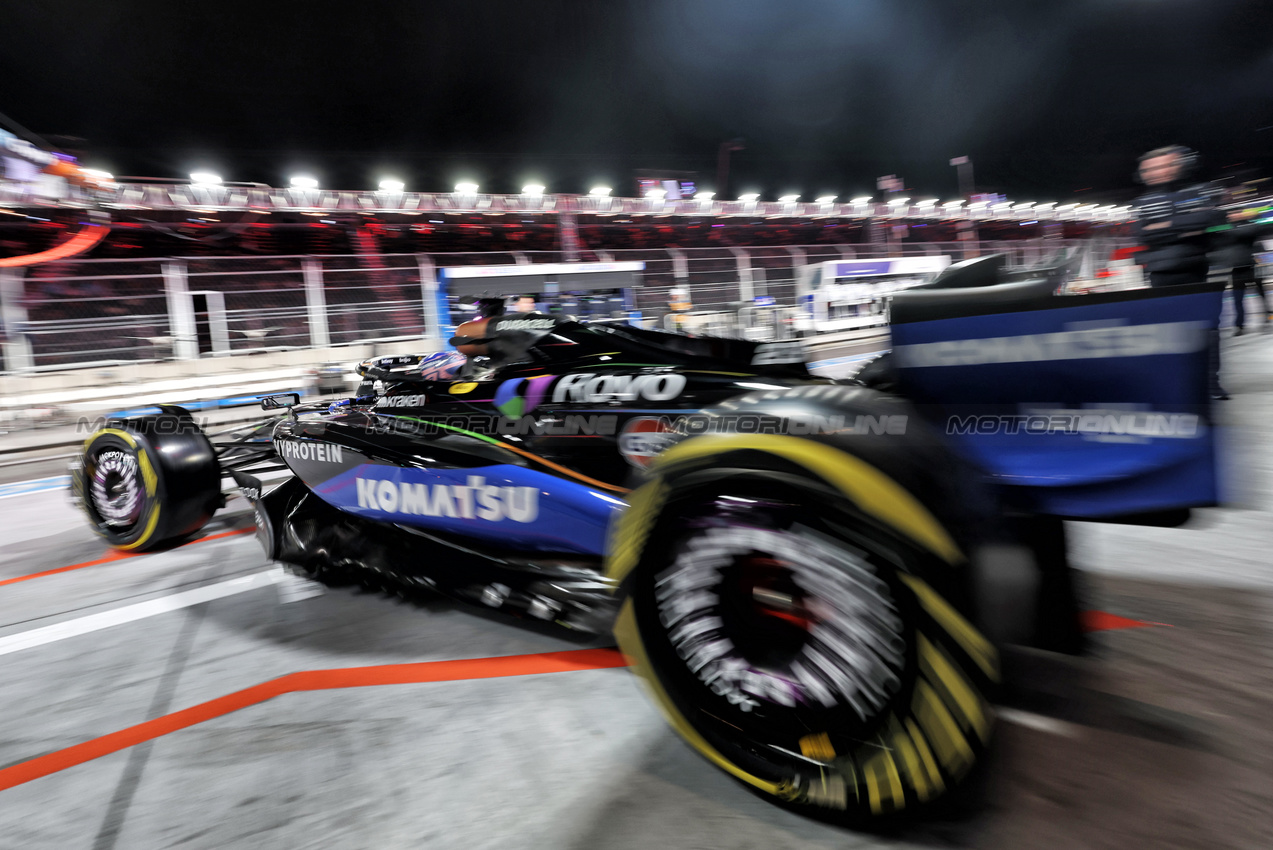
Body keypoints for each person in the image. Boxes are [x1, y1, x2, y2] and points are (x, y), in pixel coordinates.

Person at [1132, 145, 1229, 398]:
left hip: (1199, 272)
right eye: (1151, 169)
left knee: (1207, 329)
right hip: (1161, 276)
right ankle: (1176, 382)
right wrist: (1184, 228)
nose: (1159, 172)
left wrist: (1164, 226)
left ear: (1181, 165)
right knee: (1168, 331)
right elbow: (1141, 233)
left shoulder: (1199, 191)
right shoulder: (1142, 202)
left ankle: (1210, 382)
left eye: (1166, 165)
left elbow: (1212, 220)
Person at [1216, 207, 1271, 335]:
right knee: (1237, 298)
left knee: (1261, 295)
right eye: (1230, 214)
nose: (1232, 216)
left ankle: (1267, 318)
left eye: (1234, 213)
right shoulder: (1227, 229)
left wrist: (1229, 231)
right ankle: (1239, 325)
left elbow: (1246, 232)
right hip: (1237, 269)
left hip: (1252, 267)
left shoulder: (1249, 226)